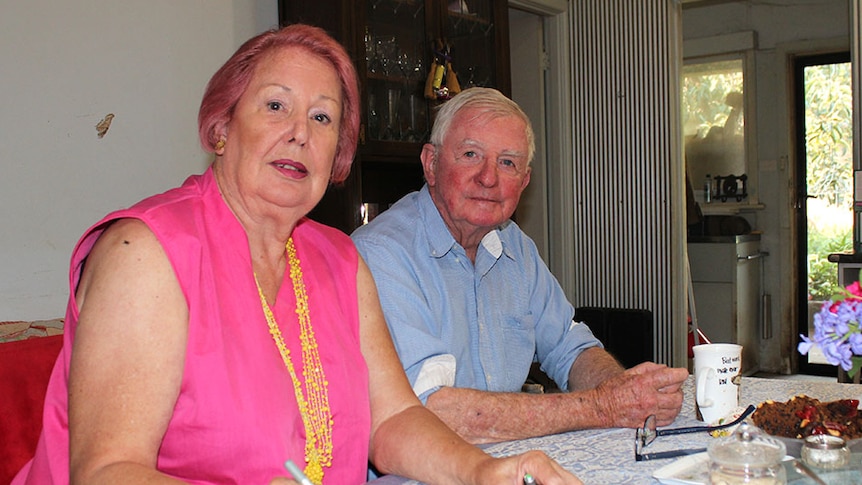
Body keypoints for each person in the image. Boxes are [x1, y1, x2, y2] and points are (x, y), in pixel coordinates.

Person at [12, 26, 581, 485]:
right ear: (221, 126)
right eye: (276, 106)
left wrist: (483, 472)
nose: (300, 134)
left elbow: (395, 417)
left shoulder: (338, 260)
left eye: (323, 118)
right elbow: (106, 471)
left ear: (338, 152)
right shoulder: (146, 254)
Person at [351, 87, 689, 445]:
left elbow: (570, 347)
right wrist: (602, 407)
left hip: (507, 461)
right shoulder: (381, 255)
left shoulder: (514, 246)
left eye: (508, 162)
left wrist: (628, 393)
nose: (489, 178)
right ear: (431, 164)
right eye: (470, 154)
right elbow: (426, 411)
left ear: (524, 182)